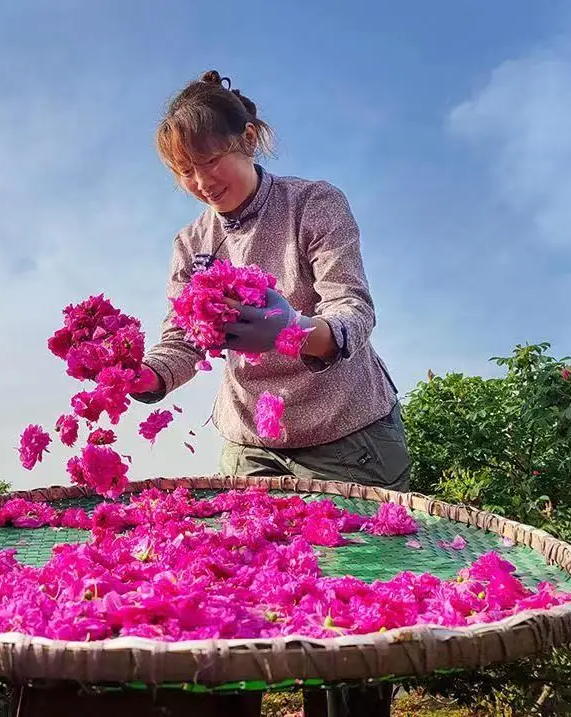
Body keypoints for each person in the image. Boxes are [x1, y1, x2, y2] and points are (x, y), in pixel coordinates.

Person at [129, 69, 411, 716]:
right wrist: (138, 377)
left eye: (211, 159)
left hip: (347, 438)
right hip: (252, 444)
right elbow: (181, 340)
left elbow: (352, 309)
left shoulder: (313, 203)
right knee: (233, 614)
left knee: (348, 629)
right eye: (184, 172)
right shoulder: (193, 244)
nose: (201, 181)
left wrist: (296, 331)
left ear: (248, 139)